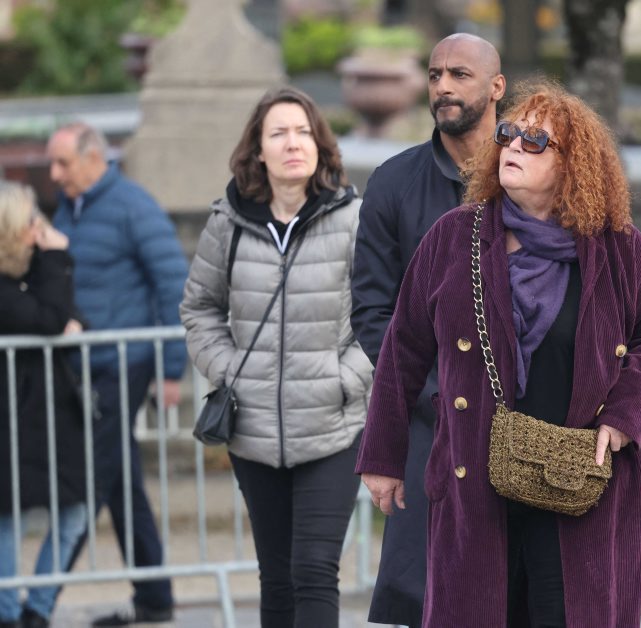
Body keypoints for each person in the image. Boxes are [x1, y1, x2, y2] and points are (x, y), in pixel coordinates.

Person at [356, 79, 641, 627]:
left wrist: (627, 416)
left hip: (578, 482)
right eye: (509, 133)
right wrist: (383, 457)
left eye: (535, 141)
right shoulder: (454, 236)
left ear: (573, 164)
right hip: (477, 480)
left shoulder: (616, 246)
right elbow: (402, 348)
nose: (513, 146)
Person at [180, 85, 373, 628]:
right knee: (277, 577)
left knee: (314, 569)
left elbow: (384, 315)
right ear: (258, 151)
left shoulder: (353, 219)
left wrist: (345, 379)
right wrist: (230, 372)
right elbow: (199, 307)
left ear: (320, 145)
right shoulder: (229, 222)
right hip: (254, 429)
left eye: (304, 131)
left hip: (333, 427)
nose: (293, 143)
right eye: (279, 133)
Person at [350, 32, 505, 627]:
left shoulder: (536, 171)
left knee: (515, 591)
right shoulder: (393, 182)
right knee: (425, 597)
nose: (443, 86)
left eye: (460, 74)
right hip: (429, 422)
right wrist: (429, 391)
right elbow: (373, 310)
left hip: (524, 422)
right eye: (435, 74)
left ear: (496, 86)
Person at [46, 122, 186, 626]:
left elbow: (172, 282)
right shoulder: (71, 208)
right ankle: (155, 599)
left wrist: (171, 368)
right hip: (86, 368)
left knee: (90, 478)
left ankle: (34, 601)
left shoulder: (133, 206)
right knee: (120, 482)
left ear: (93, 158)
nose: (54, 174)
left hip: (124, 362)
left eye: (62, 163)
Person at [0, 182, 86, 628]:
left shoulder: (31, 271)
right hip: (13, 421)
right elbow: (50, 318)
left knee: (75, 513)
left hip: (51, 417)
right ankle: (9, 614)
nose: (41, 227)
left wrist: (51, 264)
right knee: (7, 519)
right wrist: (56, 256)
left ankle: (37, 609)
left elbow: (68, 315)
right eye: (32, 220)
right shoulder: (10, 284)